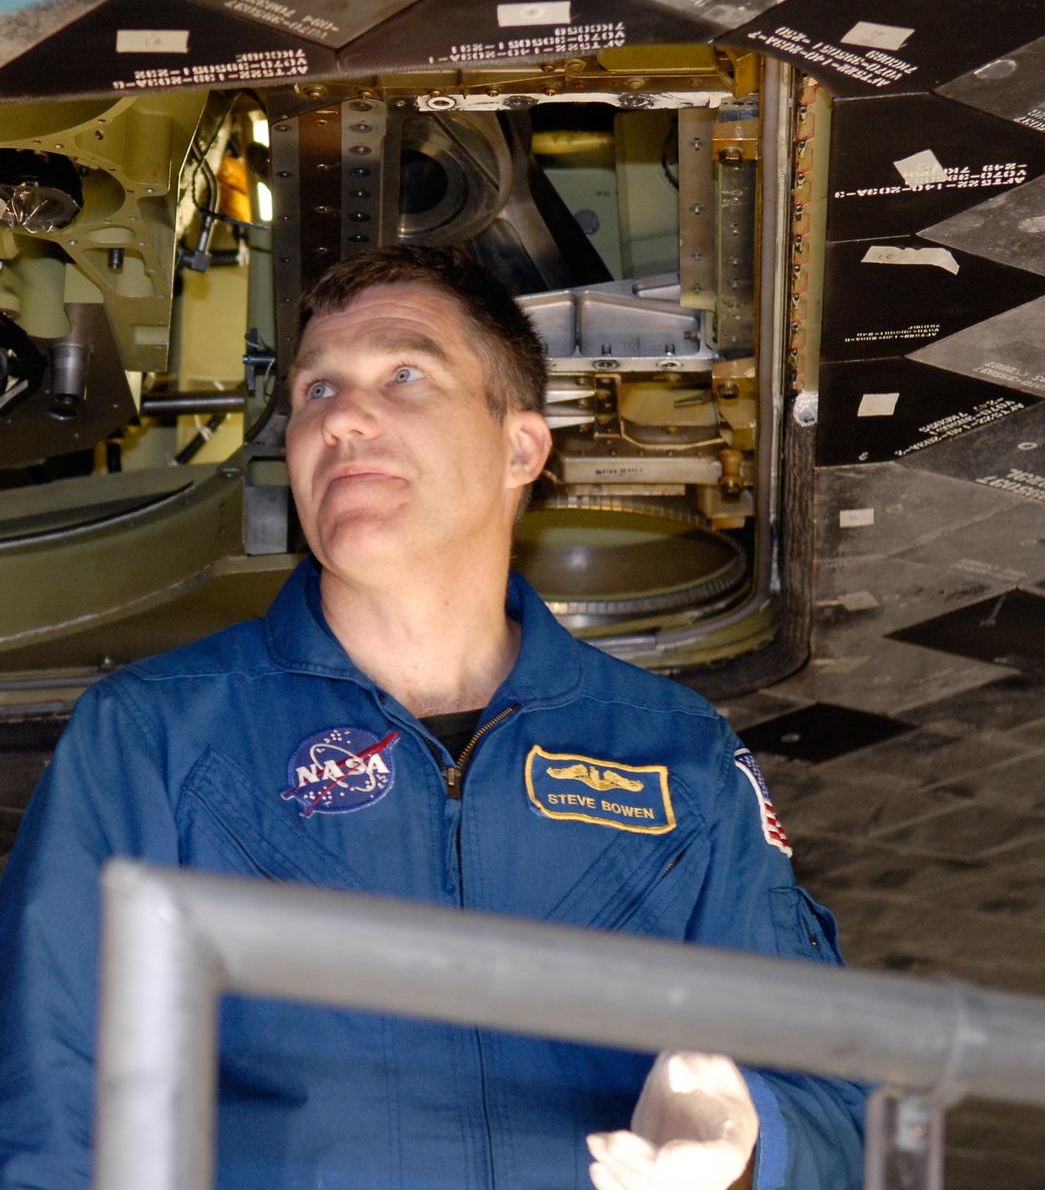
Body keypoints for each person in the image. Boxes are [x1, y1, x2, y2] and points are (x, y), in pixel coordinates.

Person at [0, 245, 864, 1190]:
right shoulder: (155, 735)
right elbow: (50, 1104)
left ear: (521, 448)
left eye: (404, 375)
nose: (341, 418)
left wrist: (748, 1146)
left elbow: (826, 1100)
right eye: (317, 390)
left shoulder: (676, 753)